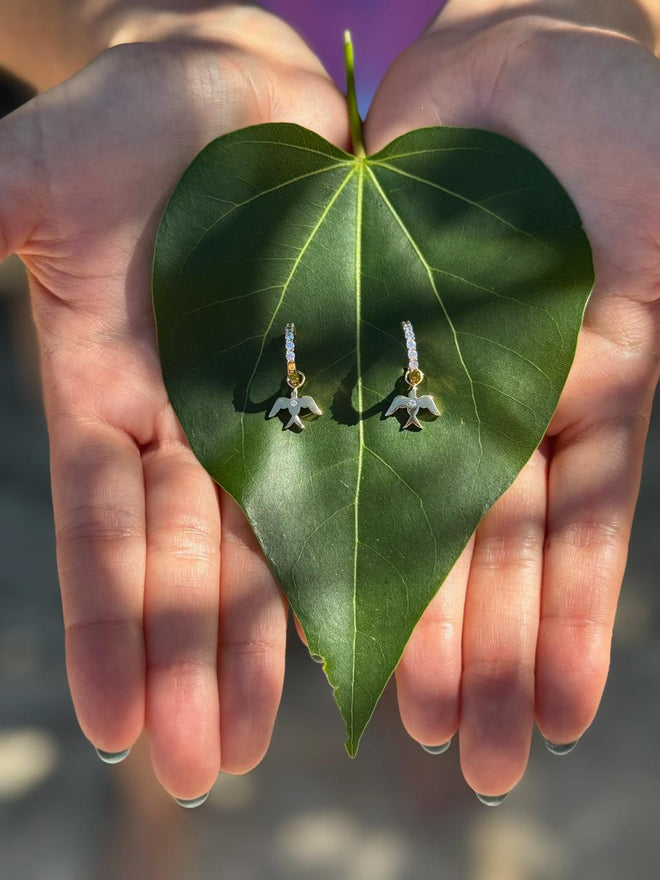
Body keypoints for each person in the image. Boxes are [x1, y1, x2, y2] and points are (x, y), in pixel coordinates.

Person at [0, 0, 657, 808]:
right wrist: (113, 25)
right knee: (148, 584)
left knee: (397, 583)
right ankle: (156, 802)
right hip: (169, 164)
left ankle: (389, 692)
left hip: (482, 112)